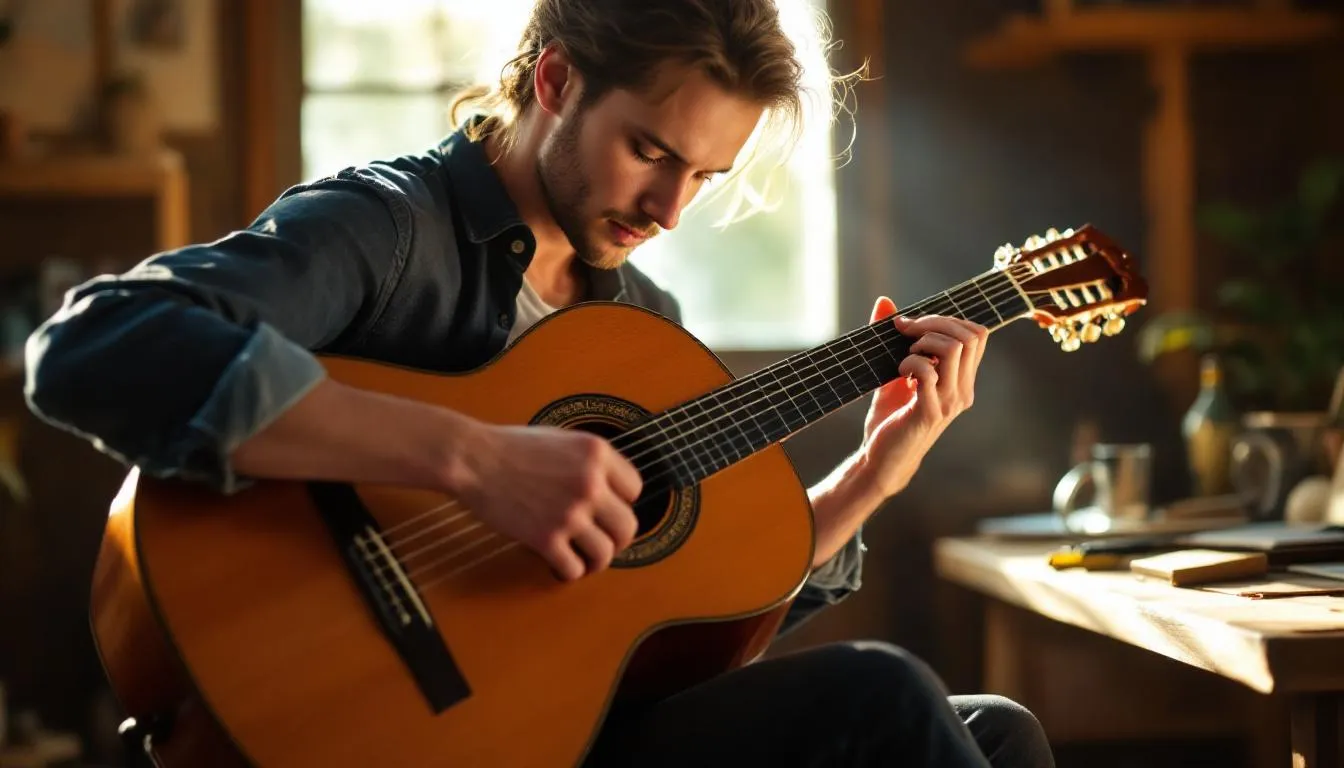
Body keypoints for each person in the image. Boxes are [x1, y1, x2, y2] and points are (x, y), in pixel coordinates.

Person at [25, 1, 1054, 766]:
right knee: (883, 696)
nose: (668, 207)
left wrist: (872, 477)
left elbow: (677, 625)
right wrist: (472, 459)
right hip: (377, 715)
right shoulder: (390, 228)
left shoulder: (643, 329)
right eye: (649, 151)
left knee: (997, 734)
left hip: (551, 727)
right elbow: (94, 346)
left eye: (704, 177)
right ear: (555, 81)